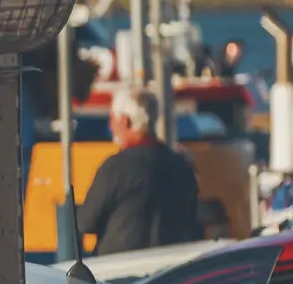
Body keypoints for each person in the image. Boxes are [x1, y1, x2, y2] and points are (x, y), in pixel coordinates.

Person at [77, 88, 204, 255]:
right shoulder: (181, 166)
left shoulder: (116, 167)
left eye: (112, 119)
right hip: (170, 269)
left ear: (125, 121)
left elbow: (86, 222)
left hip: (120, 269)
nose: (111, 126)